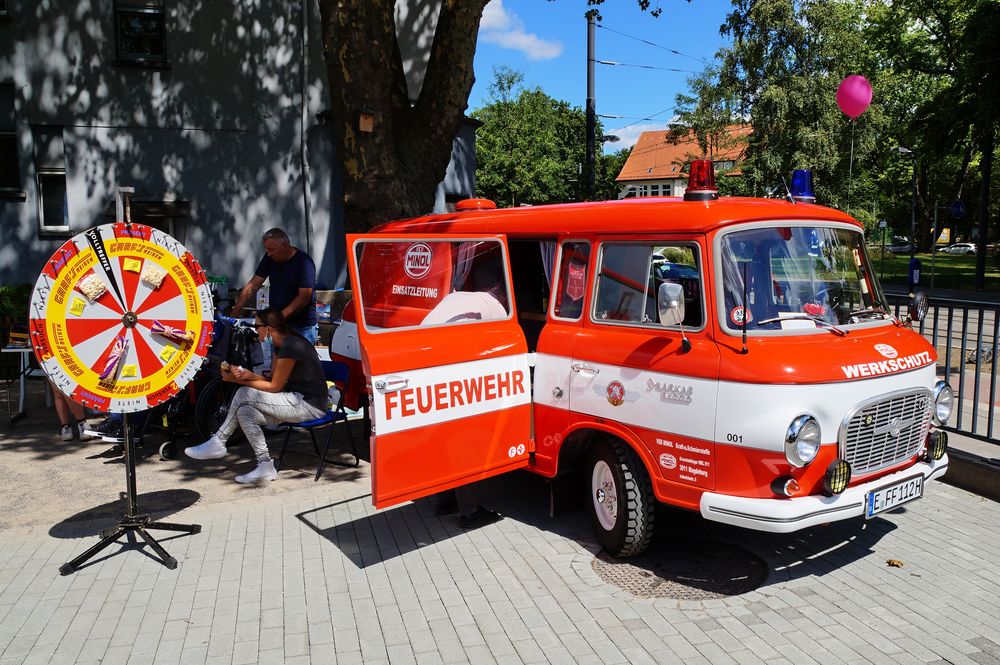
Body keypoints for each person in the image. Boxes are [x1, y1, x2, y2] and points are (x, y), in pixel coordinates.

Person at [184, 308, 328, 483]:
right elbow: (271, 380)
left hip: (308, 405)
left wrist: (238, 382)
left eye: (257, 326)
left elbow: (275, 387)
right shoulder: (279, 345)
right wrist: (247, 375)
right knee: (245, 412)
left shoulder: (291, 346)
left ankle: (219, 440)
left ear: (269, 328)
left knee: (244, 393)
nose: (254, 330)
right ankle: (265, 466)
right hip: (293, 399)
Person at [231, 228, 318, 344]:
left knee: (298, 361)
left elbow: (304, 297)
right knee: (276, 361)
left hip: (301, 327)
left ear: (285, 245)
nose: (269, 253)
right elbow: (253, 285)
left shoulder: (304, 262)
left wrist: (279, 317)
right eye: (267, 249)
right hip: (278, 326)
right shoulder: (269, 258)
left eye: (272, 249)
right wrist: (233, 316)